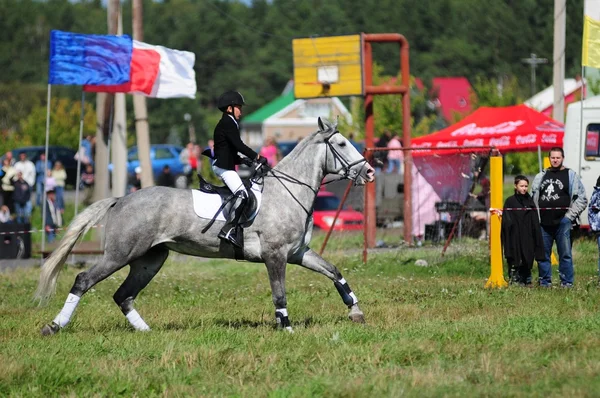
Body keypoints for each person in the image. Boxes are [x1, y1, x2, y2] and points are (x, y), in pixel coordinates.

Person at [212, 90, 267, 247]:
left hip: (226, 163)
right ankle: (228, 229)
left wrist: (244, 160)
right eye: (239, 107)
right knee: (242, 194)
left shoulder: (228, 122)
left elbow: (228, 149)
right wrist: (256, 156)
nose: (241, 111)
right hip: (224, 168)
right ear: (230, 108)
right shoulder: (228, 123)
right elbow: (238, 145)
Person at [531, 147, 587, 287]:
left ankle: (566, 283)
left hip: (563, 222)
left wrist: (569, 217)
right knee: (543, 256)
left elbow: (582, 199)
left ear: (563, 158)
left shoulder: (571, 175)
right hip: (543, 223)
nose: (555, 160)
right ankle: (545, 283)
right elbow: (533, 198)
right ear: (549, 158)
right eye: (553, 158)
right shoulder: (541, 176)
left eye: (558, 157)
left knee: (565, 255)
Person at [500, 175, 545, 286]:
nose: (524, 188)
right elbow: (507, 220)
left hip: (527, 235)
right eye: (521, 186)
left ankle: (527, 279)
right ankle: (514, 279)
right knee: (515, 257)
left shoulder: (530, 201)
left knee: (527, 256)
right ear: (516, 186)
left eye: (526, 186)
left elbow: (534, 220)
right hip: (514, 236)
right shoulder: (510, 201)